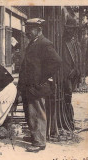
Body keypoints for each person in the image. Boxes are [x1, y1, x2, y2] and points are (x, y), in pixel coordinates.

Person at [17, 18, 62, 152]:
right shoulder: (33, 43)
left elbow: (57, 62)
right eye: (26, 29)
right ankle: (35, 136)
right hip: (29, 86)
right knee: (30, 113)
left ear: (39, 30)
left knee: (37, 112)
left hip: (37, 86)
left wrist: (42, 78)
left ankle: (39, 142)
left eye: (30, 29)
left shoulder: (45, 43)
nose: (27, 32)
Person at [61, 16, 82, 131]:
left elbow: (78, 59)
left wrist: (76, 70)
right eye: (69, 28)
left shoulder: (75, 43)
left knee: (69, 97)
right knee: (66, 97)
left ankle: (69, 120)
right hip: (62, 75)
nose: (71, 31)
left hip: (72, 75)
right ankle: (66, 121)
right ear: (65, 29)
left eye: (73, 29)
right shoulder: (61, 42)